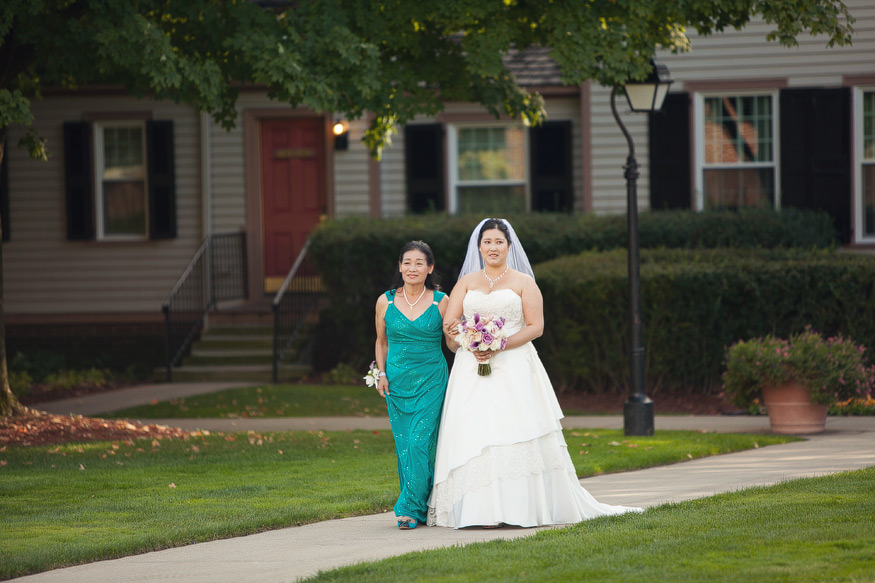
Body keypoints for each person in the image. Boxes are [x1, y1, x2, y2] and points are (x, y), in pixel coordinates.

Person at [427, 218, 643, 528]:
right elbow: (450, 324)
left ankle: (519, 509)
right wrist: (471, 342)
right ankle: (478, 510)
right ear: (479, 246)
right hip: (470, 368)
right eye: (487, 242)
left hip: (514, 366)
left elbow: (535, 327)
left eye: (499, 242)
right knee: (475, 430)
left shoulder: (524, 282)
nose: (492, 247)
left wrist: (498, 345)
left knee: (514, 430)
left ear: (509, 246)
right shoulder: (466, 282)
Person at [374, 240, 449, 530]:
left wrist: (464, 338)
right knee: (405, 446)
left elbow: (451, 342)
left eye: (419, 263)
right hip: (397, 383)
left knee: (419, 443)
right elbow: (381, 341)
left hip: (432, 380)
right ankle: (421, 503)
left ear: (430, 268)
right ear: (400, 267)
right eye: (407, 262)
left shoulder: (442, 301)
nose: (412, 268)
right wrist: (381, 373)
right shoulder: (386, 300)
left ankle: (409, 508)